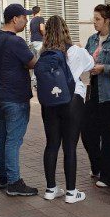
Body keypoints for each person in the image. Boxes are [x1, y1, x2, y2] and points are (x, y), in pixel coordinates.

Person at [36, 15, 94, 204]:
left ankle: (51, 189)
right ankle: (71, 192)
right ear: (65, 30)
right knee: (70, 146)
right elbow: (91, 64)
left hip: (49, 103)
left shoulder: (42, 52)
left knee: (51, 144)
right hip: (72, 101)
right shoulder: (75, 51)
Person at [0, 4, 38, 197]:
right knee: (13, 140)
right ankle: (14, 181)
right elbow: (32, 62)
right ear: (14, 19)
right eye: (24, 18)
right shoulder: (16, 42)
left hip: (0, 94)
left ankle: (3, 176)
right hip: (16, 97)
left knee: (2, 136)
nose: (26, 21)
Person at [83, 4, 110, 188]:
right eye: (94, 19)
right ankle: (98, 166)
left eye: (98, 19)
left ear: (107, 21)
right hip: (93, 91)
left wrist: (104, 68)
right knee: (87, 132)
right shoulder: (92, 40)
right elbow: (85, 59)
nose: (94, 23)